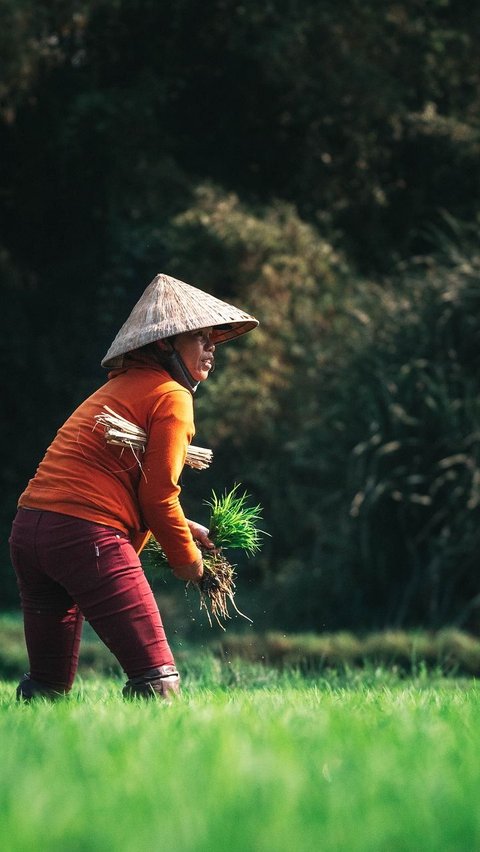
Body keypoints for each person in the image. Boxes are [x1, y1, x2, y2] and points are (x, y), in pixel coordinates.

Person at [9, 273, 258, 701]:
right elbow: (158, 496)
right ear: (164, 344)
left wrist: (184, 527)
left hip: (30, 532)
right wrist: (190, 563)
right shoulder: (173, 396)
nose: (211, 347)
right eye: (199, 338)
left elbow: (124, 485)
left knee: (47, 686)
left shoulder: (117, 390)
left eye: (213, 338)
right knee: (157, 682)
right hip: (84, 536)